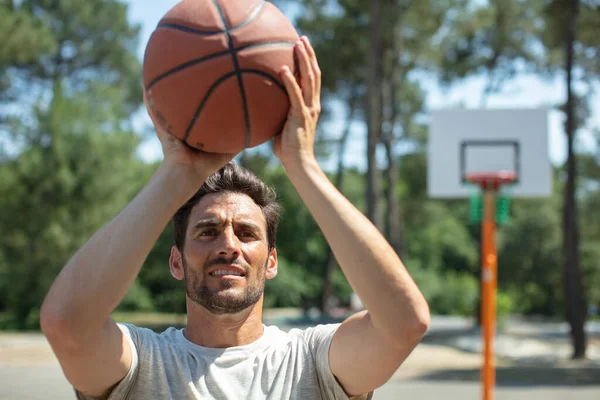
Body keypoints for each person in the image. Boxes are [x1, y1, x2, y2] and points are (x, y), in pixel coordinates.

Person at [40, 36, 430, 400]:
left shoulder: (311, 360)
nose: (228, 246)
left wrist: (302, 164)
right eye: (207, 231)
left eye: (246, 233)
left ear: (272, 261)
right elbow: (66, 325)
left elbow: (404, 323)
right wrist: (177, 173)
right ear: (176, 261)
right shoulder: (142, 362)